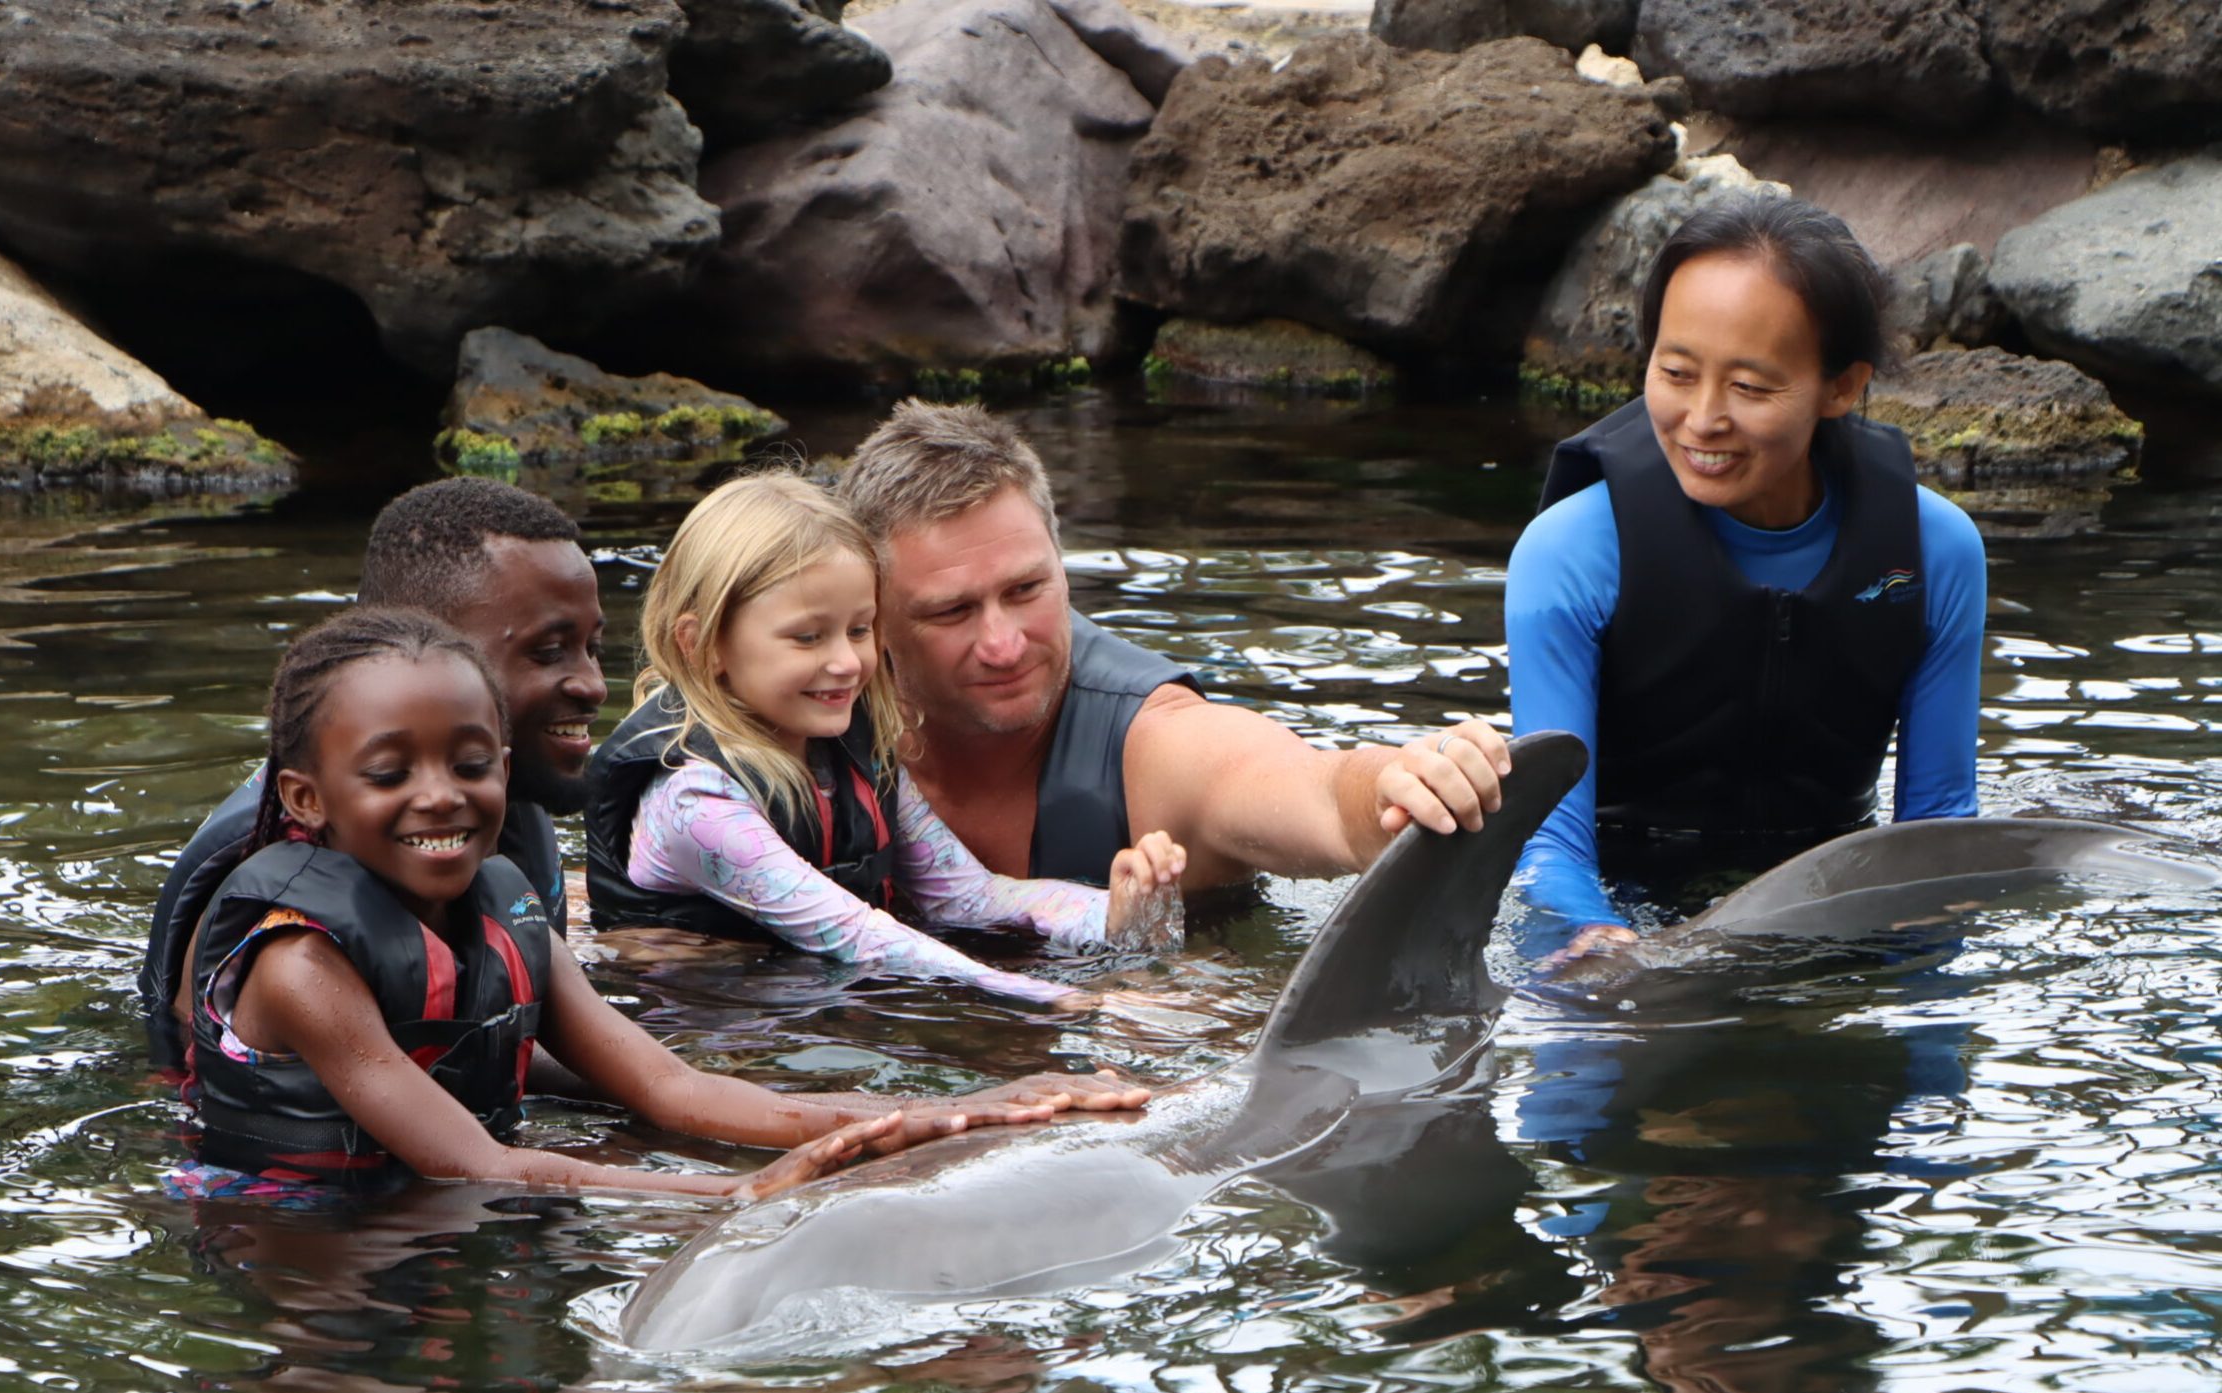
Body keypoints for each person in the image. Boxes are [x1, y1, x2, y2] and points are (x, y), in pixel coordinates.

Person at [183, 608, 1086, 1202]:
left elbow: (669, 1087)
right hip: (301, 1234)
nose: (441, 797)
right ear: (305, 799)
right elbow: (477, 1165)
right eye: (389, 774)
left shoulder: (507, 911)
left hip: (463, 1199)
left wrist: (957, 1112)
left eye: (470, 764)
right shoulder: (301, 963)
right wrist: (738, 1195)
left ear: (504, 768)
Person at [1504, 193, 1987, 959]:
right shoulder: (1569, 552)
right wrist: (1595, 943)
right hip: (1621, 899)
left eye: (1751, 388)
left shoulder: (1935, 552)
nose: (1702, 419)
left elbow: (1937, 829)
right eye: (1676, 372)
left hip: (1826, 898)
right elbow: (1548, 848)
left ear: (1842, 387)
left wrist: (1923, 1012)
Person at [835, 401, 1512, 895]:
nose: (1004, 644)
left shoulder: (1152, 746)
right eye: (952, 611)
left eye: (1026, 590)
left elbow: (1317, 794)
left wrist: (1398, 788)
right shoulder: (811, 716)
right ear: (873, 620)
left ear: (1061, 564)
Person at [585, 472, 1186, 1006]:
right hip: (705, 1042)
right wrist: (1057, 999)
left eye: (860, 629)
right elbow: (856, 934)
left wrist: (1112, 913)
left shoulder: (854, 754)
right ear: (703, 644)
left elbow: (967, 897)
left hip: (806, 1008)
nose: (847, 662)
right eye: (807, 637)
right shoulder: (694, 804)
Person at [141, 477, 609, 1069]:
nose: (594, 683)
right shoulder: (282, 907)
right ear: (419, 648)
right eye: (549, 651)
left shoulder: (500, 798)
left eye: (594, 646)